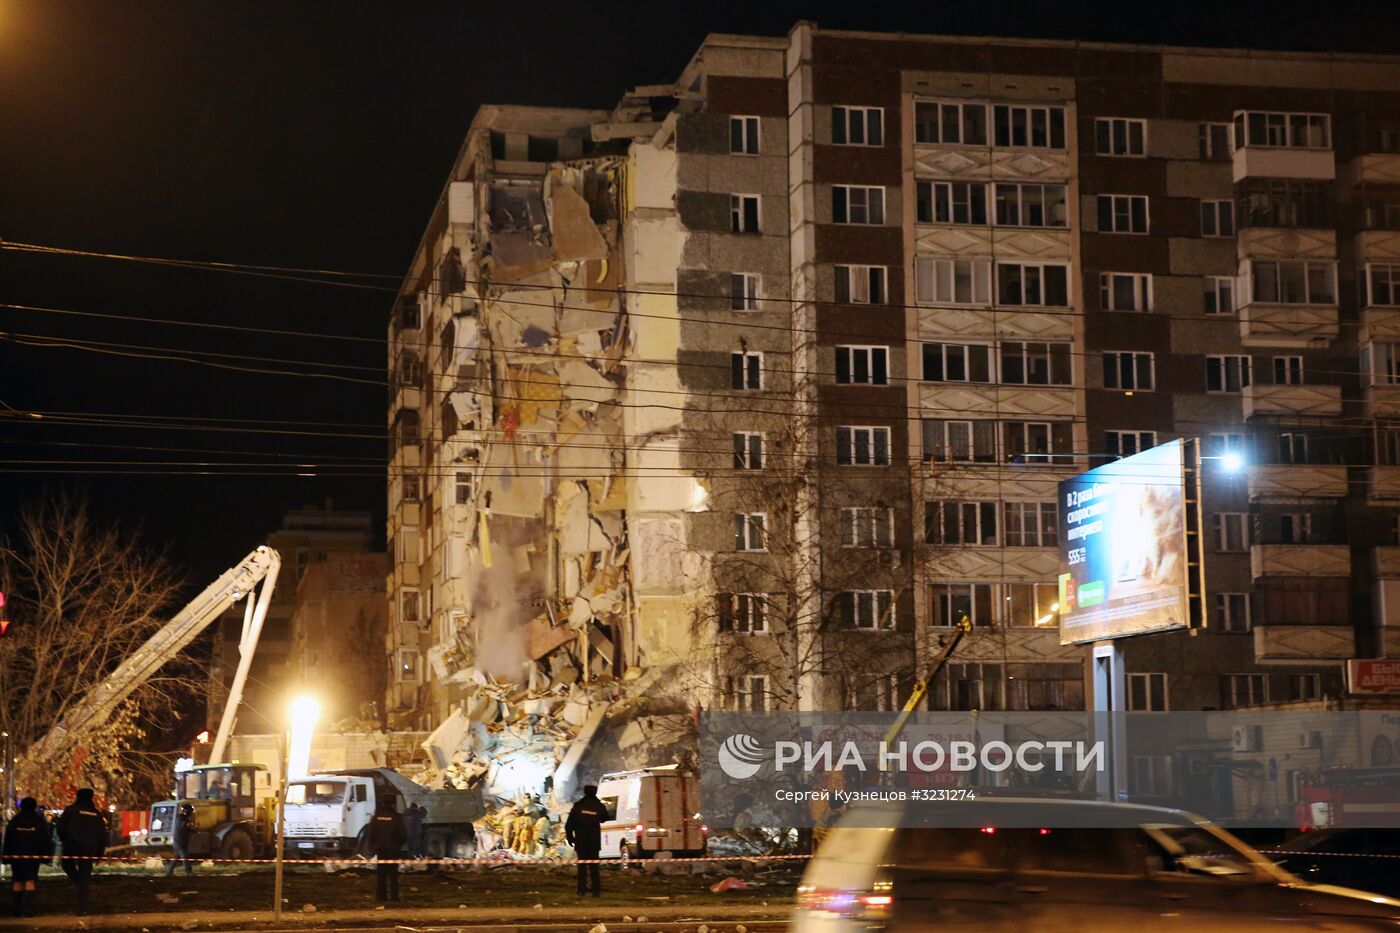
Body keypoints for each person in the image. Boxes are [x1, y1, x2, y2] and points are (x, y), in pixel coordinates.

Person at [56, 788, 107, 916]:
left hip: (71, 846)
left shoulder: (71, 810)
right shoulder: (96, 813)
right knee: (85, 875)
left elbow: (60, 827)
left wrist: (65, 840)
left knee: (67, 865)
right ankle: (83, 907)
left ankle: (79, 884)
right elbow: (102, 835)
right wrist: (98, 853)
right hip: (89, 848)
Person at [3, 798, 54, 917]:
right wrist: (45, 857)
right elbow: (45, 841)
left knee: (17, 880)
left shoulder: (15, 821)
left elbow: (8, 840)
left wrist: (6, 856)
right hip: (33, 856)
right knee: (30, 880)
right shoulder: (39, 822)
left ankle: (16, 909)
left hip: (17, 855)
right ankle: (29, 910)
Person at [565, 784, 608, 897]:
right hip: (594, 842)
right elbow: (605, 818)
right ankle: (596, 891)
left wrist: (570, 838)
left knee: (582, 867)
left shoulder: (578, 806)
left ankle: (581, 890)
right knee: (594, 867)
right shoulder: (598, 806)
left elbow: (569, 825)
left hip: (581, 842)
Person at [367, 796, 407, 903]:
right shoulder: (397, 817)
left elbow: (371, 834)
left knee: (381, 874)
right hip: (393, 849)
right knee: (393, 874)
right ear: (394, 804)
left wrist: (374, 846)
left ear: (382, 803)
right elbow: (403, 834)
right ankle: (394, 897)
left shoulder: (376, 817)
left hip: (381, 849)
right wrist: (398, 845)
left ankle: (381, 897)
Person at [166, 804, 195, 877]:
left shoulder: (184, 818)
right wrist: (189, 824)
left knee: (175, 858)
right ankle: (189, 872)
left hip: (181, 842)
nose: (191, 813)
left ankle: (169, 872)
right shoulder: (180, 818)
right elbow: (183, 825)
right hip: (180, 842)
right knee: (185, 858)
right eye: (191, 811)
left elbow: (186, 828)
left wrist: (194, 831)